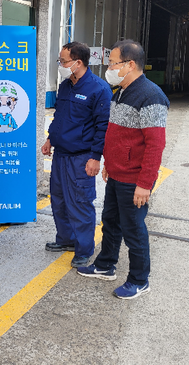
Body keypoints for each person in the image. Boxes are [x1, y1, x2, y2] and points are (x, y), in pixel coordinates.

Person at [77, 39, 169, 300]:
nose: (109, 67)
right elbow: (116, 135)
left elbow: (155, 146)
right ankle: (106, 264)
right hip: (117, 174)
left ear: (130, 64)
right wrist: (109, 163)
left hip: (134, 179)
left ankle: (140, 280)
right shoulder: (120, 91)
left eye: (113, 62)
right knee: (111, 222)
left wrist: (145, 184)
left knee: (134, 229)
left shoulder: (151, 96)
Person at [42, 42, 112, 268]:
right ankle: (66, 239)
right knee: (59, 200)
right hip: (61, 155)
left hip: (82, 157)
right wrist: (50, 138)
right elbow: (59, 116)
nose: (60, 65)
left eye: (63, 61)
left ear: (78, 62)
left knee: (80, 203)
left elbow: (103, 128)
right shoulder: (65, 86)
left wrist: (95, 157)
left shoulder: (99, 89)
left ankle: (84, 249)